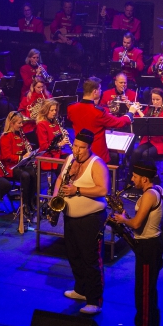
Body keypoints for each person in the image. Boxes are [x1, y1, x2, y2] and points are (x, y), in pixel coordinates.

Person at [55, 129, 109, 315]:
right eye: (75, 146)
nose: (77, 151)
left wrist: (77, 190)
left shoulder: (97, 164)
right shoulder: (70, 159)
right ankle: (81, 290)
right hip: (71, 217)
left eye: (81, 148)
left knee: (91, 259)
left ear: (90, 147)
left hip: (91, 219)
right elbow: (60, 180)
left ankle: (95, 301)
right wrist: (55, 197)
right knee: (74, 255)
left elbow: (103, 190)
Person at [112, 162, 163, 326]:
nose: (132, 179)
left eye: (134, 176)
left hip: (147, 247)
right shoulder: (159, 189)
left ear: (144, 178)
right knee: (150, 288)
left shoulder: (149, 195)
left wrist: (122, 219)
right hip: (155, 244)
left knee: (142, 291)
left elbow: (135, 224)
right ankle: (154, 322)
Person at [66, 77, 137, 164]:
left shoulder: (71, 108)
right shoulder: (98, 112)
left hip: (78, 152)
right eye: (99, 89)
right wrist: (130, 113)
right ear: (95, 91)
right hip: (96, 155)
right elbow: (119, 123)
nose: (101, 91)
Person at [0, 111, 38, 212]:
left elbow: (27, 147)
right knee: (25, 175)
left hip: (20, 165)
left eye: (22, 123)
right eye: (19, 123)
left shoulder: (21, 134)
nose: (21, 125)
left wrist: (30, 152)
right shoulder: (5, 137)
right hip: (9, 167)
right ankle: (24, 204)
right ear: (12, 123)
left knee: (34, 172)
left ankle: (31, 201)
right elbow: (6, 156)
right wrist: (21, 157)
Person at [130, 88, 163, 169]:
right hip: (147, 140)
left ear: (162, 99)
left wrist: (138, 110)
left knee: (146, 154)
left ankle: (153, 176)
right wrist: (132, 110)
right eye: (153, 99)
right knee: (136, 152)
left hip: (160, 142)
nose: (155, 102)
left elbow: (148, 121)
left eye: (158, 99)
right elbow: (139, 119)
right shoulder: (149, 109)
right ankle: (131, 177)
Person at [35, 98, 71, 173]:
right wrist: (60, 144)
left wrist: (63, 135)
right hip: (48, 156)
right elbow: (44, 146)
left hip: (57, 153)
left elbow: (56, 138)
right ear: (45, 111)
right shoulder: (41, 124)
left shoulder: (55, 122)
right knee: (65, 169)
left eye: (55, 110)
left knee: (72, 159)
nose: (54, 112)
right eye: (52, 110)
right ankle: (57, 184)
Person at [49, 0, 84, 73]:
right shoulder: (59, 15)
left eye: (69, 7)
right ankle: (69, 63)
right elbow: (53, 27)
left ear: (72, 7)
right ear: (63, 7)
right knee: (56, 52)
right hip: (61, 40)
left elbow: (78, 31)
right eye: (66, 7)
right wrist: (61, 37)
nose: (68, 9)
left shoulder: (76, 16)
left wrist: (72, 40)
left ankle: (67, 63)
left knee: (80, 51)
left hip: (72, 40)